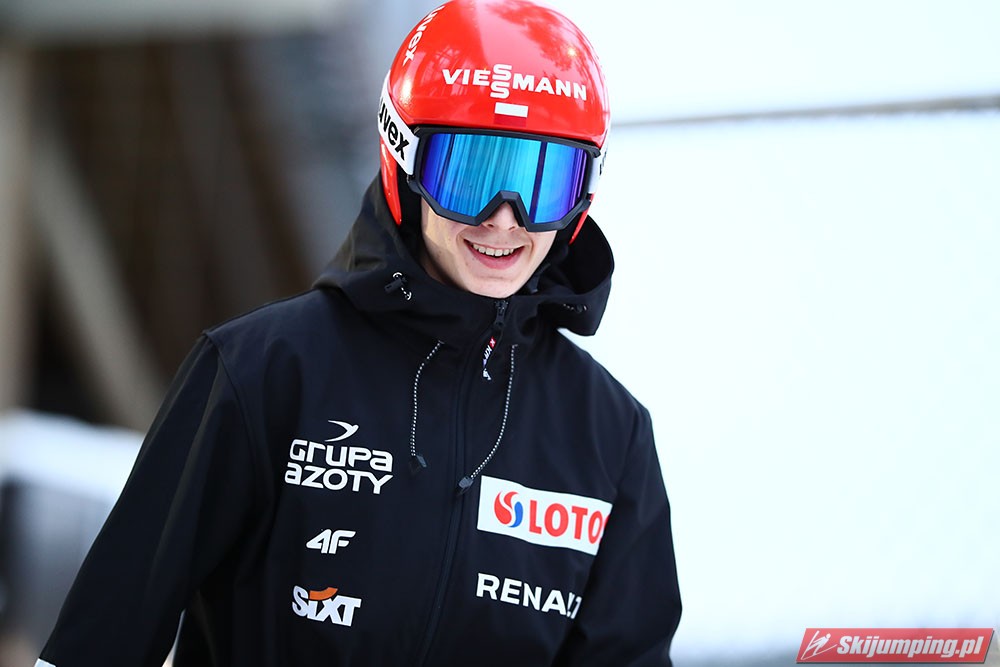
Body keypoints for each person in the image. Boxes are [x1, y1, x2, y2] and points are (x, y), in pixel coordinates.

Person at [36, 0, 682, 665]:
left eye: (542, 184)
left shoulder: (610, 437)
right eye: (470, 176)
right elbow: (100, 638)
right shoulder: (263, 370)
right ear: (404, 161)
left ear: (583, 196)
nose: (504, 219)